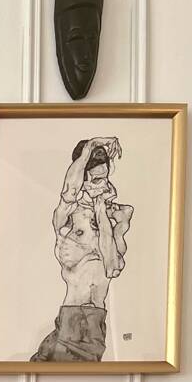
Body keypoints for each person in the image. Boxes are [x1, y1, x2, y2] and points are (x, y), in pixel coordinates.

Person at [32, 136, 133, 363]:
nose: (103, 185)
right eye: (95, 179)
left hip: (96, 323)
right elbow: (69, 190)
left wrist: (102, 214)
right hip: (71, 319)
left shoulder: (116, 220)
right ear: (83, 178)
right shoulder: (68, 219)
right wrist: (90, 147)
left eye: (105, 178)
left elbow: (112, 266)